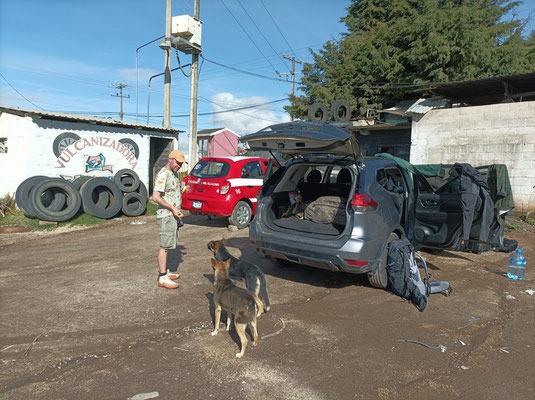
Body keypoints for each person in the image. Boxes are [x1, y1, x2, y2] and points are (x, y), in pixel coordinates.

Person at [151, 149, 187, 289]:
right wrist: (172, 209)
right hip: (166, 216)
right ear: (170, 159)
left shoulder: (174, 173)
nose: (179, 165)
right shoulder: (163, 174)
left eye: (181, 163)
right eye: (178, 162)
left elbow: (170, 192)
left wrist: (184, 191)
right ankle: (162, 277)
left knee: (170, 244)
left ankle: (165, 272)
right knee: (164, 247)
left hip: (173, 215)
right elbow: (156, 197)